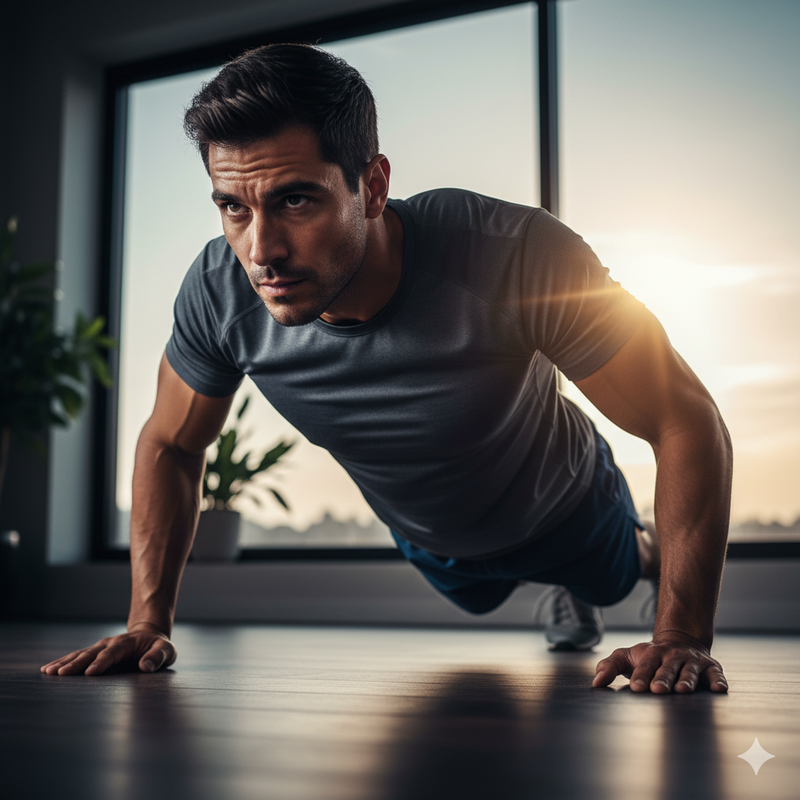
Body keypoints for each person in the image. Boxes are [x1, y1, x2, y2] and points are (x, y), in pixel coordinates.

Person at [41, 44, 732, 694]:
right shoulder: (218, 293)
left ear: (372, 186)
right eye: (233, 206)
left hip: (563, 507)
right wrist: (147, 622)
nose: (262, 250)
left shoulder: (515, 255)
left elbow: (685, 417)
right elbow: (168, 442)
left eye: (295, 199)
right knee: (478, 592)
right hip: (435, 544)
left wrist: (680, 635)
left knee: (618, 572)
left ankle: (611, 565)